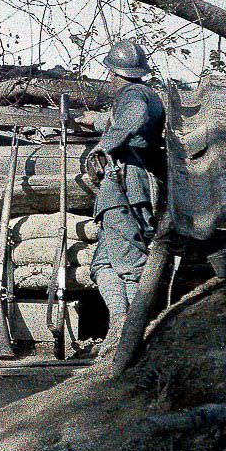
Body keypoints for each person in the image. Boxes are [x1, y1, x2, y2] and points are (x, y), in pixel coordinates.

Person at [83, 40, 166, 356]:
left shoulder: (133, 96)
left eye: (109, 73)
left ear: (114, 73)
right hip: (124, 183)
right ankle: (119, 322)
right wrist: (94, 120)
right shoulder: (144, 94)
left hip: (125, 183)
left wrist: (104, 145)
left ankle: (132, 334)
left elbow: (131, 119)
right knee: (103, 263)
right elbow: (124, 120)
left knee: (129, 263)